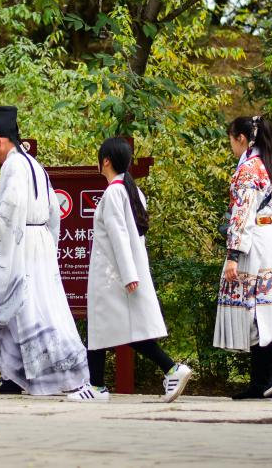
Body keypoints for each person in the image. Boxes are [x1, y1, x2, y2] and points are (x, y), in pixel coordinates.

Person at [67, 137, 193, 403]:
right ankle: (100, 384)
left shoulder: (113, 192)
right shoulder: (133, 191)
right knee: (117, 329)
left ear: (106, 160)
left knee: (105, 327)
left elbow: (118, 235)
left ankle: (101, 386)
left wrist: (128, 275)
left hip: (111, 275)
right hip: (123, 273)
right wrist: (133, 272)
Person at [0, 106, 89, 395]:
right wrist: (49, 244)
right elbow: (54, 210)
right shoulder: (34, 164)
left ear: (0, 140)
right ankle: (20, 377)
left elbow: (12, 205)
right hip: (38, 238)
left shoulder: (13, 166)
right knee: (42, 307)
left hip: (23, 242)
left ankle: (32, 376)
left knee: (23, 308)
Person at [214, 115, 272, 399]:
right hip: (271, 238)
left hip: (254, 241)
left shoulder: (249, 168)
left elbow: (242, 213)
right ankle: (261, 381)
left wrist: (233, 255)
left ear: (240, 138)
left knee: (251, 306)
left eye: (231, 140)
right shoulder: (267, 165)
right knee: (261, 305)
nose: (231, 147)